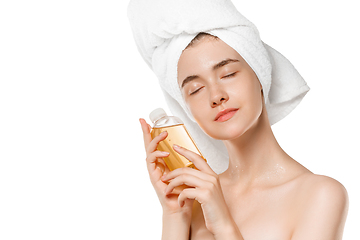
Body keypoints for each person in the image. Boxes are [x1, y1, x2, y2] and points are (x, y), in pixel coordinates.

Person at [130, 1, 349, 239]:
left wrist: (223, 224)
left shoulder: (320, 195)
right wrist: (174, 215)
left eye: (228, 74)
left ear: (260, 74)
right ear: (187, 109)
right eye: (195, 89)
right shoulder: (194, 200)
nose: (216, 96)